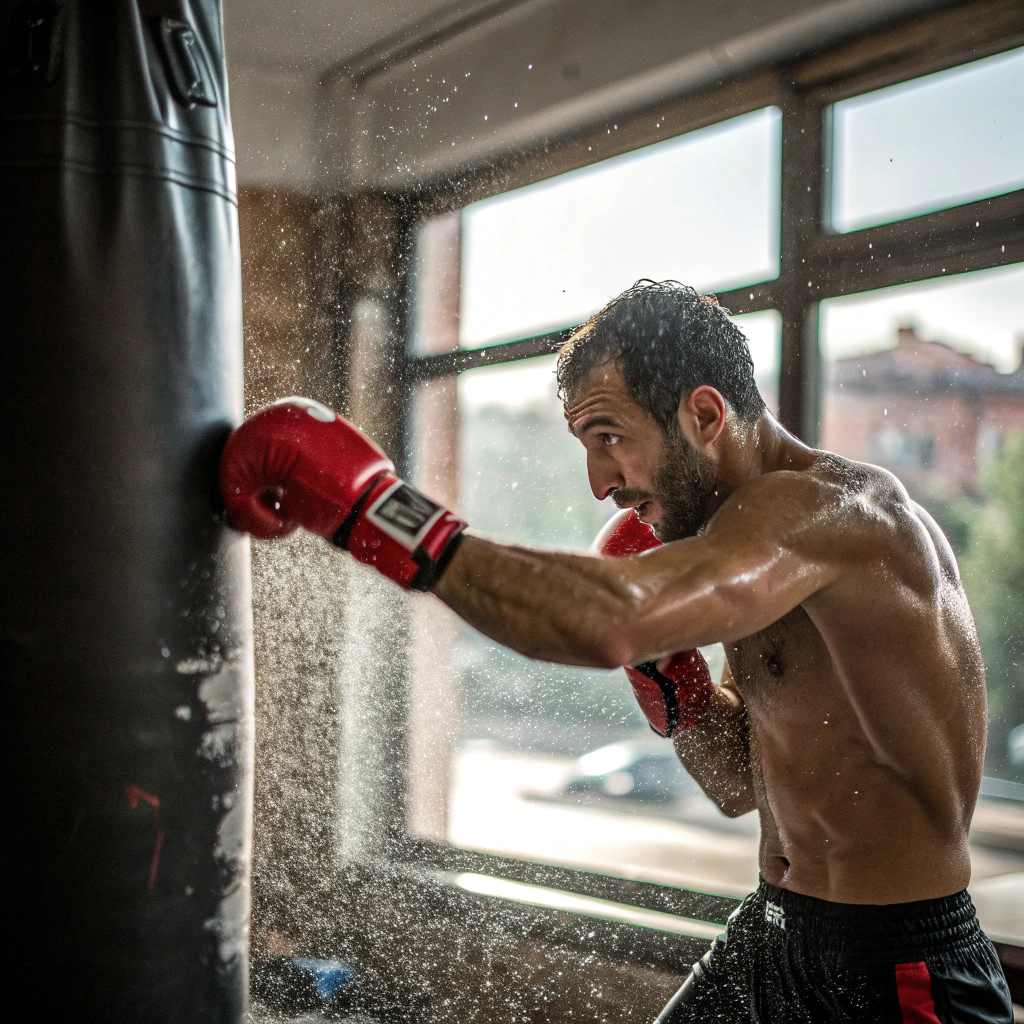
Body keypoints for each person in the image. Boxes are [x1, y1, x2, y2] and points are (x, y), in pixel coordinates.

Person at [219, 280, 1014, 1023]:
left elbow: (608, 622)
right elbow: (737, 784)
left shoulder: (836, 515)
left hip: (896, 967)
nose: (601, 482)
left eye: (610, 438)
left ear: (704, 414)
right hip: (773, 930)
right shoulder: (744, 551)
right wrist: (677, 689)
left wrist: (375, 511)